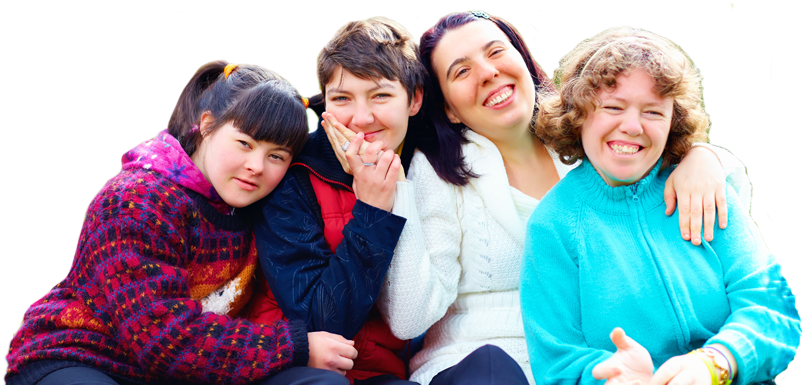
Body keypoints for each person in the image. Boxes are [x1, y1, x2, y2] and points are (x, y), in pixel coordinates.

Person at [378, 11, 750, 385]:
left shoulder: (587, 138)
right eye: (461, 71)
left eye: (495, 52)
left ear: (524, 62)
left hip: (597, 362)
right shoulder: (438, 171)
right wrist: (398, 194)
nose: (488, 72)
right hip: (481, 363)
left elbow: (726, 199)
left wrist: (703, 157)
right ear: (449, 109)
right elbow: (409, 316)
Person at [2, 60, 357, 385]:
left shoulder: (260, 205)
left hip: (188, 372)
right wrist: (294, 346)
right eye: (244, 144)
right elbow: (162, 341)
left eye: (276, 155)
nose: (257, 166)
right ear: (205, 127)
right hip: (81, 359)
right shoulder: (136, 200)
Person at [521, 26, 801, 385]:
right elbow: (558, 363)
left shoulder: (704, 189)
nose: (633, 126)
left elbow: (774, 305)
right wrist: (616, 378)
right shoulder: (553, 226)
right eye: (613, 107)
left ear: (673, 121)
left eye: (653, 112)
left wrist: (715, 363)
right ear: (579, 114)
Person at [245, 17, 424, 385]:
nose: (361, 118)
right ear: (325, 104)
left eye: (380, 95)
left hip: (391, 370)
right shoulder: (293, 179)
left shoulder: (434, 165)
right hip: (300, 370)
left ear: (415, 99)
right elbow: (321, 323)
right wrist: (373, 211)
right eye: (342, 98)